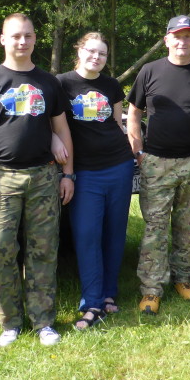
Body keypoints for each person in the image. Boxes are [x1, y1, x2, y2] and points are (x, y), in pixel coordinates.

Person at [0, 13, 75, 347]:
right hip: (1, 178)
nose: (22, 42)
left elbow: (61, 130)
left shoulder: (49, 82)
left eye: (27, 36)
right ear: (3, 39)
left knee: (43, 250)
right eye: (15, 36)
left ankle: (44, 322)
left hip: (43, 176)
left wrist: (68, 173)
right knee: (0, 250)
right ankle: (10, 323)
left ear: (35, 39)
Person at [127, 15, 190, 315]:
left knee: (189, 226)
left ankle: (183, 279)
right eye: (178, 36)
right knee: (155, 228)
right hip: (157, 162)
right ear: (167, 39)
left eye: (189, 36)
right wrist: (138, 149)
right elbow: (133, 112)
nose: (183, 41)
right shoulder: (150, 71)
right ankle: (151, 289)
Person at [57, 32, 136, 330]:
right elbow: (53, 122)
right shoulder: (62, 83)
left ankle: (108, 295)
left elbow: (116, 123)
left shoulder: (111, 85)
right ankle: (91, 302)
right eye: (91, 51)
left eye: (102, 54)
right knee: (87, 235)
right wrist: (56, 145)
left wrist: (132, 152)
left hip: (118, 166)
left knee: (114, 232)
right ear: (80, 51)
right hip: (85, 171)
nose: (97, 57)